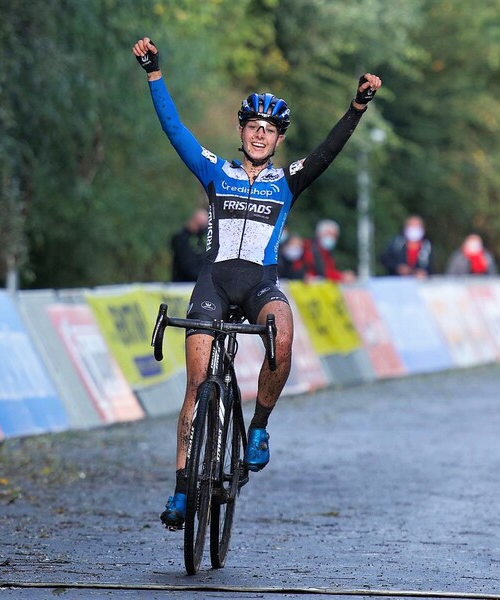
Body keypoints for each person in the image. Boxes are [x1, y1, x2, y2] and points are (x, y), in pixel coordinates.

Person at [132, 36, 382, 529]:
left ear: (278, 138)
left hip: (260, 286)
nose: (260, 136)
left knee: (282, 333)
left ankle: (259, 428)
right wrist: (154, 74)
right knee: (194, 387)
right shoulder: (215, 171)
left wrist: (356, 106)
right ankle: (182, 490)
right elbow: (174, 129)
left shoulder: (287, 180)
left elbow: (330, 149)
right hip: (213, 284)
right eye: (253, 126)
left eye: (269, 130)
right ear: (241, 130)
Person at [170, 208, 208, 282]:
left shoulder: (203, 239)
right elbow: (186, 264)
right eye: (200, 224)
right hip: (182, 283)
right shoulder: (181, 239)